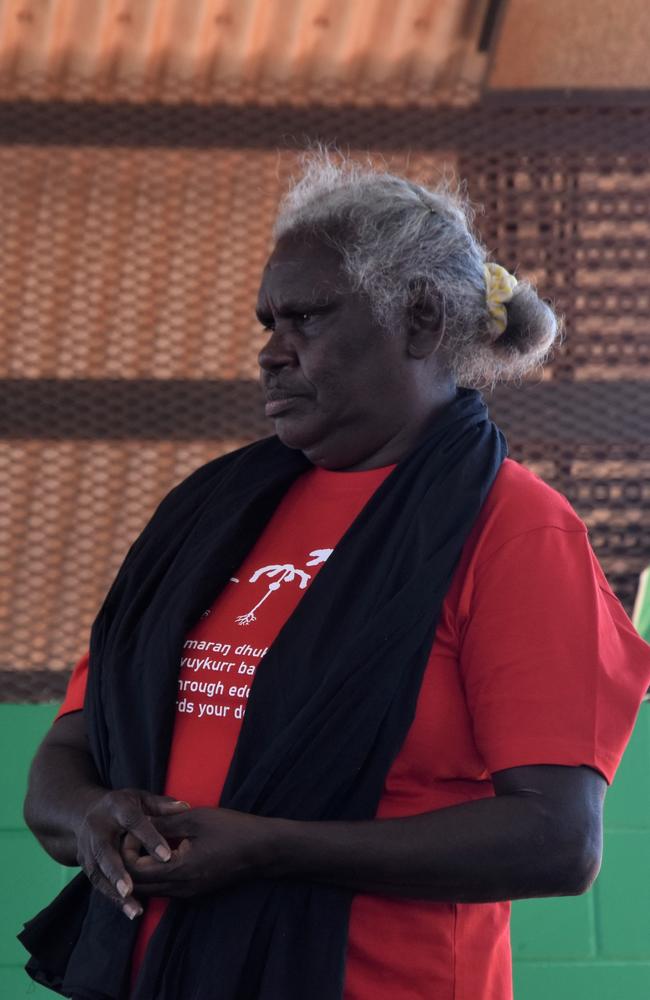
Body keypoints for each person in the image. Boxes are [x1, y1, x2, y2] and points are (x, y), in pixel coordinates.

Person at [21, 153, 650, 1000]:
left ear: (421, 321)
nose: (271, 355)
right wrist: (94, 818)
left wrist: (276, 846)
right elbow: (67, 753)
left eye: (306, 319)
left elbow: (555, 839)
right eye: (266, 324)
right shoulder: (207, 517)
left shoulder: (513, 527)